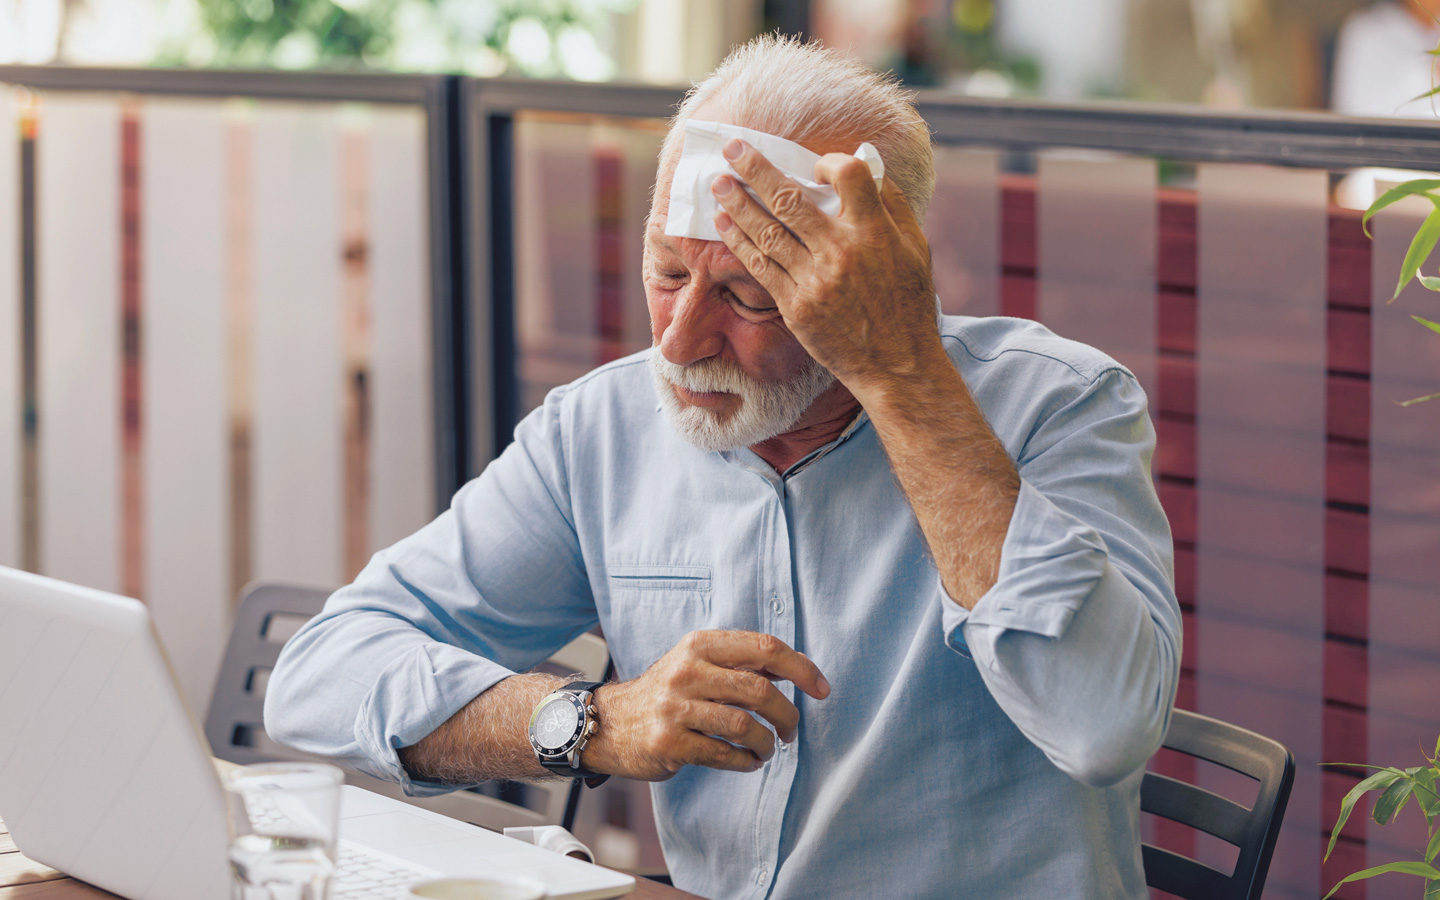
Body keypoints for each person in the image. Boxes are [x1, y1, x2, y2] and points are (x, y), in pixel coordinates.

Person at [266, 34, 1180, 900]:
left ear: (870, 280)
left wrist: (901, 374)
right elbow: (322, 674)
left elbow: (1102, 726)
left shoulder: (1061, 405)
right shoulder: (603, 429)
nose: (678, 339)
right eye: (666, 272)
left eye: (749, 295)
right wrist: (590, 723)